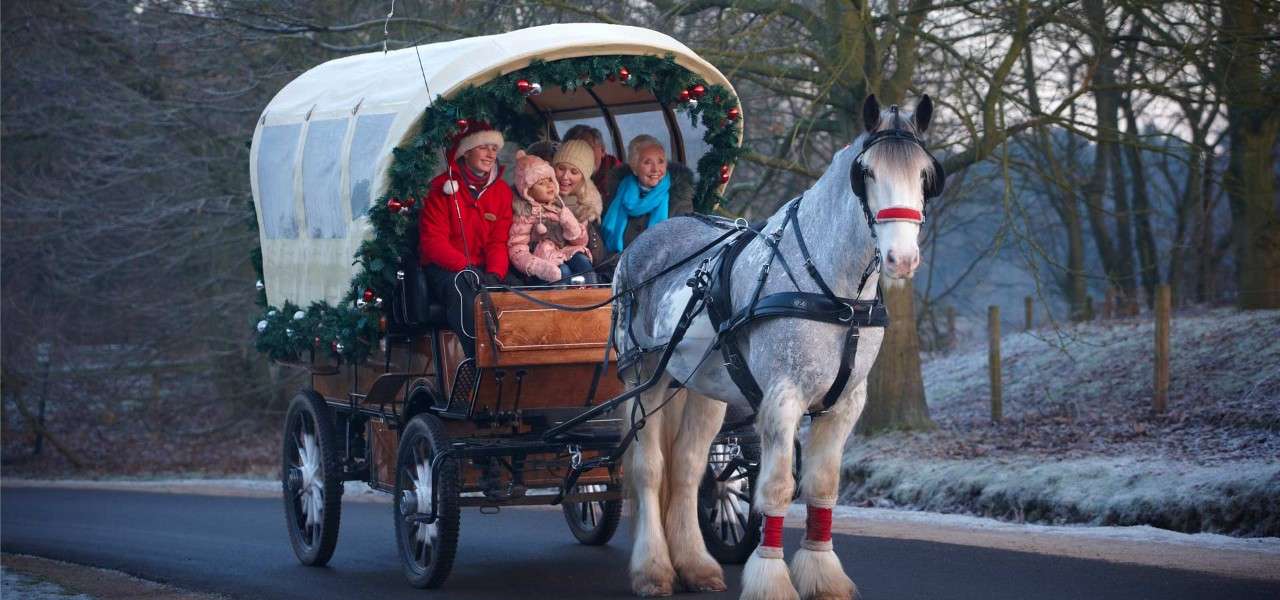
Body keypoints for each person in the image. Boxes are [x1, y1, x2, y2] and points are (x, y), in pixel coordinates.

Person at [418, 122, 512, 358]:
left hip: (482, 268)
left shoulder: (501, 191)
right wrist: (465, 267)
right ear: (466, 151)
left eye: (494, 148)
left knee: (514, 290)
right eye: (484, 147)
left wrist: (496, 274)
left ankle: (517, 356)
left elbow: (498, 241)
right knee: (463, 292)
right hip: (446, 268)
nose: (491, 154)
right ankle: (479, 360)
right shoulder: (441, 188)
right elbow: (433, 242)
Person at [507, 151, 594, 285]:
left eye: (550, 181)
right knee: (562, 272)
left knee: (583, 263)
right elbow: (517, 249)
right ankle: (561, 303)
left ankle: (593, 299)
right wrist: (536, 266)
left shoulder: (560, 208)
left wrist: (572, 226)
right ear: (528, 191)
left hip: (563, 252)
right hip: (543, 262)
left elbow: (581, 242)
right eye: (541, 183)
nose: (549, 186)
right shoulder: (525, 215)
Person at [600, 134, 694, 255]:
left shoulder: (679, 200)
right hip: (615, 268)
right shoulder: (616, 193)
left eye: (660, 161)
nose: (655, 169)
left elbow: (682, 248)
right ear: (634, 167)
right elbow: (602, 241)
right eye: (647, 162)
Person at [551, 140, 606, 269]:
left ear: (584, 177)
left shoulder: (589, 208)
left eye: (574, 172)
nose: (565, 176)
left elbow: (598, 257)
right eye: (561, 168)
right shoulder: (539, 196)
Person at [562, 124, 619, 192]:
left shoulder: (621, 179)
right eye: (573, 151)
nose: (581, 156)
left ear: (602, 150)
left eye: (588, 149)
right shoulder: (559, 176)